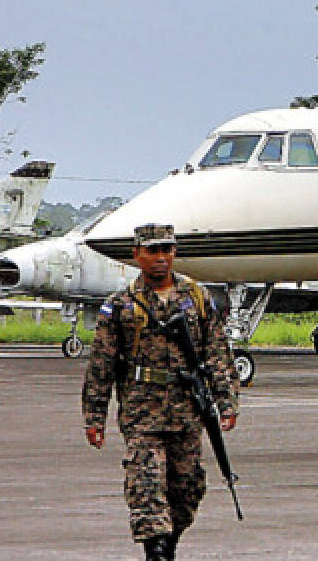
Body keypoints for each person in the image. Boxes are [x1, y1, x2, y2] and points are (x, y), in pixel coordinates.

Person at [82, 223, 239, 561]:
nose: (160, 258)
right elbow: (101, 365)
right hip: (142, 414)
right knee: (148, 488)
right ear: (137, 255)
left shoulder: (197, 298)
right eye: (152, 250)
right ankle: (158, 552)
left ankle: (167, 544)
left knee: (187, 491)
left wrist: (227, 401)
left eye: (166, 250)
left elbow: (216, 352)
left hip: (187, 412)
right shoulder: (121, 305)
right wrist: (94, 416)